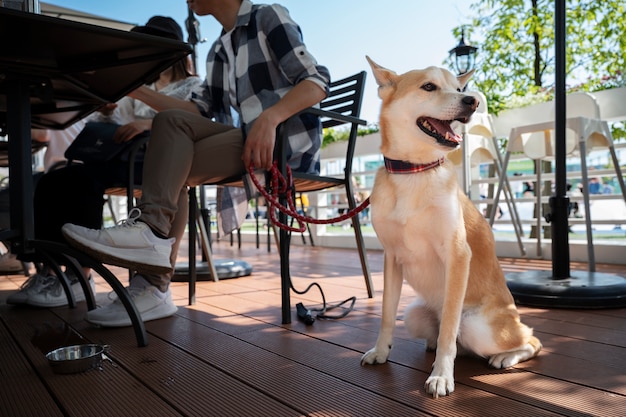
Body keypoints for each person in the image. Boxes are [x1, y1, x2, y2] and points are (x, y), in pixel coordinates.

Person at [62, 0, 330, 327]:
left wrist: (270, 118)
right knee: (170, 124)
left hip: (284, 140)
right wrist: (135, 91)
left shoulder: (266, 16)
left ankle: (153, 282)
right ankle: (152, 249)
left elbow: (316, 81)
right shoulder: (219, 48)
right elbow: (195, 111)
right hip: (243, 137)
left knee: (171, 160)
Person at [6, 16, 201, 308]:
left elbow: (193, 120)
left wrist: (148, 125)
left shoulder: (191, 85)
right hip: (121, 155)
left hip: (156, 159)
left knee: (82, 182)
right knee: (53, 179)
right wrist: (109, 111)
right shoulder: (138, 85)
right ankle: (48, 270)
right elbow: (103, 123)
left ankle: (79, 275)